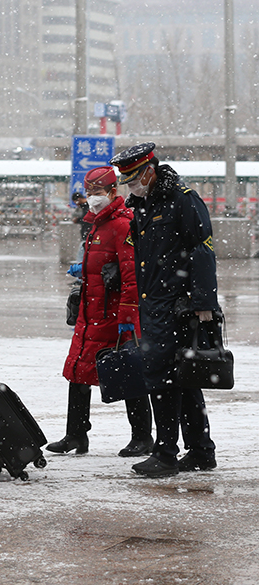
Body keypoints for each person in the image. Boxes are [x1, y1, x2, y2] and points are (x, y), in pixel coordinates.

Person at [110, 142, 220, 478]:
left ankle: (166, 453)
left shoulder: (181, 199)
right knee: (184, 378)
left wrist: (203, 303)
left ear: (149, 171)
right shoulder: (144, 203)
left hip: (176, 306)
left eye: (132, 179)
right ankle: (201, 451)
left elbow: (203, 249)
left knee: (162, 376)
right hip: (154, 303)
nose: (130, 186)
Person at [47, 166, 153, 458]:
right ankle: (76, 435)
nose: (93, 198)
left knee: (128, 372)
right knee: (78, 371)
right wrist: (85, 270)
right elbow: (106, 264)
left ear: (113, 192)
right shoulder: (97, 224)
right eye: (90, 192)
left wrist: (128, 315)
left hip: (113, 314)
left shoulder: (121, 225)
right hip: (92, 311)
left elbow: (132, 275)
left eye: (98, 192)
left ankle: (142, 436)